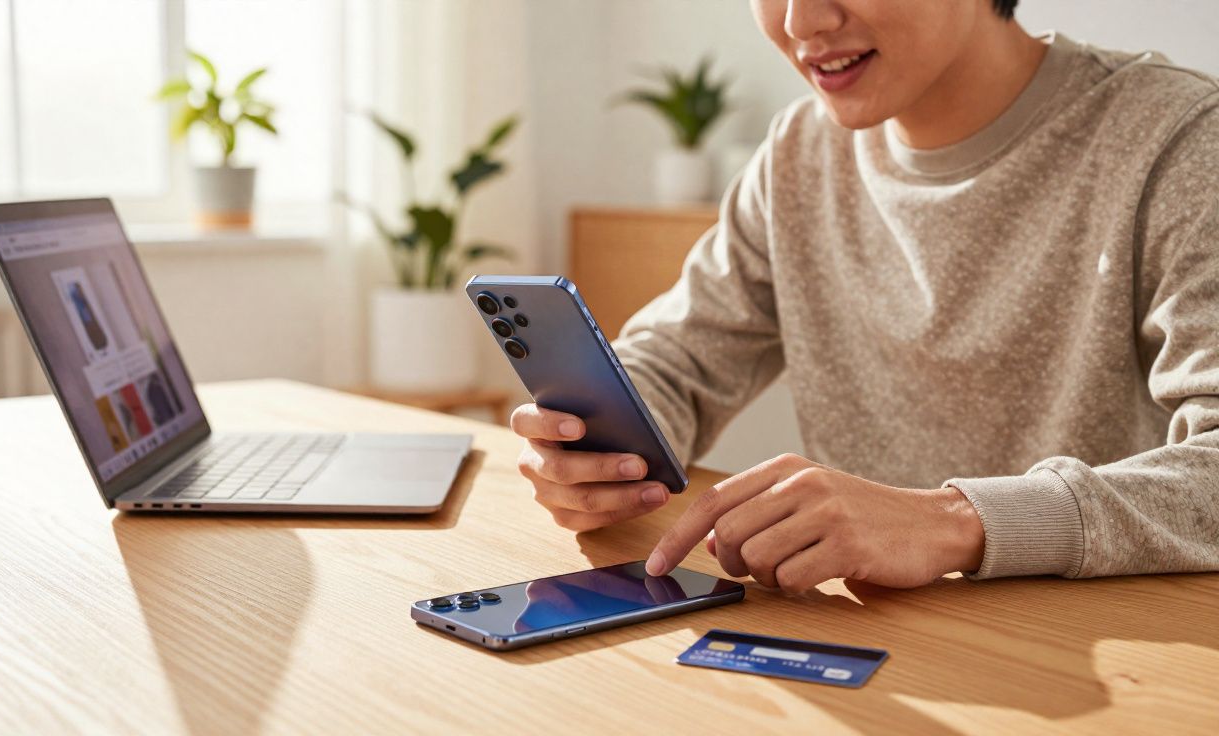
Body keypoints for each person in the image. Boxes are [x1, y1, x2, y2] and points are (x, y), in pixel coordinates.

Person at [510, 0, 1219, 592]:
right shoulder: (798, 154)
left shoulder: (1180, 142)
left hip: (1119, 657)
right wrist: (603, 451)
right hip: (870, 644)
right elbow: (677, 360)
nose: (801, 21)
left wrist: (955, 522)